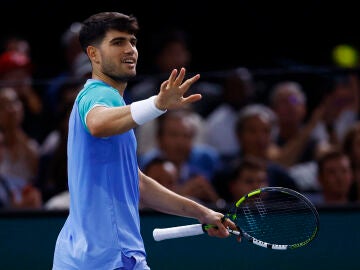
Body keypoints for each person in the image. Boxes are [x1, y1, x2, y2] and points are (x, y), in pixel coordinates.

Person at [52, 12, 238, 270]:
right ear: (93, 54)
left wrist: (201, 212)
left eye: (132, 41)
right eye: (118, 42)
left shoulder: (106, 101)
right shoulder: (99, 94)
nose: (130, 49)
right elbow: (98, 124)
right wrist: (158, 104)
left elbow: (136, 182)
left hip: (79, 257)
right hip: (109, 257)